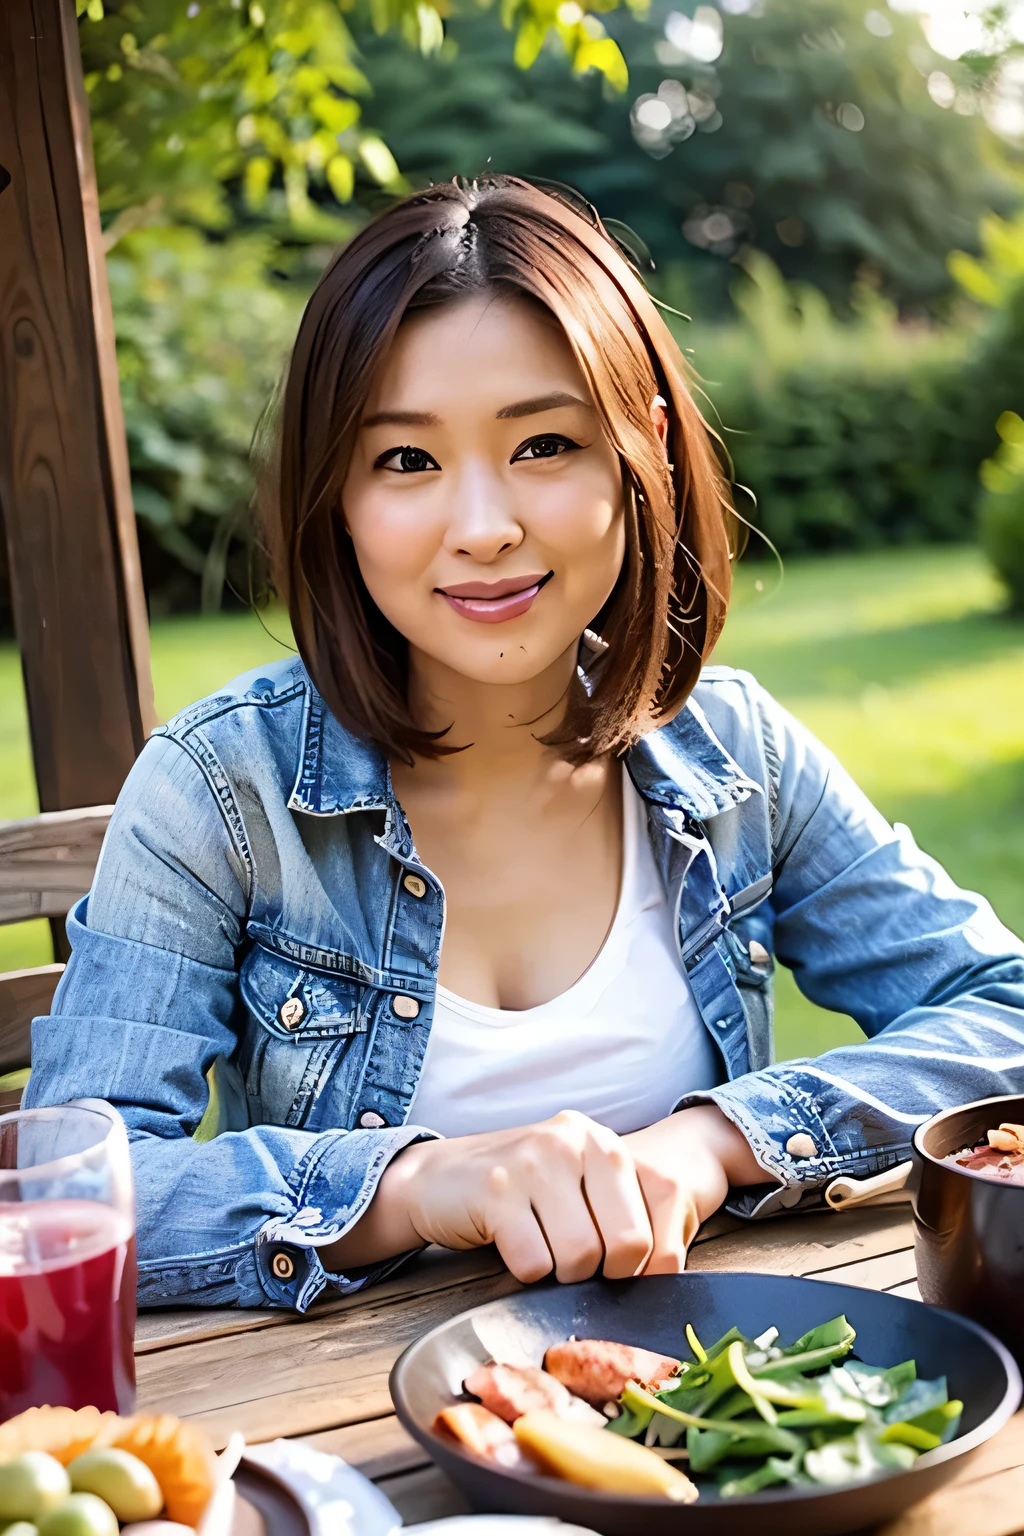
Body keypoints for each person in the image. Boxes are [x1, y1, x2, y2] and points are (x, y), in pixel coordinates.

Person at [26, 176, 1024, 1312]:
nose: (485, 526)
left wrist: (712, 1143)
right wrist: (425, 1183)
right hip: (344, 1435)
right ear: (337, 498)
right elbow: (78, 1196)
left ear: (637, 454)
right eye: (406, 460)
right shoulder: (221, 790)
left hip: (689, 1415)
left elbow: (1005, 1006)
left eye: (543, 443)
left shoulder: (733, 751)